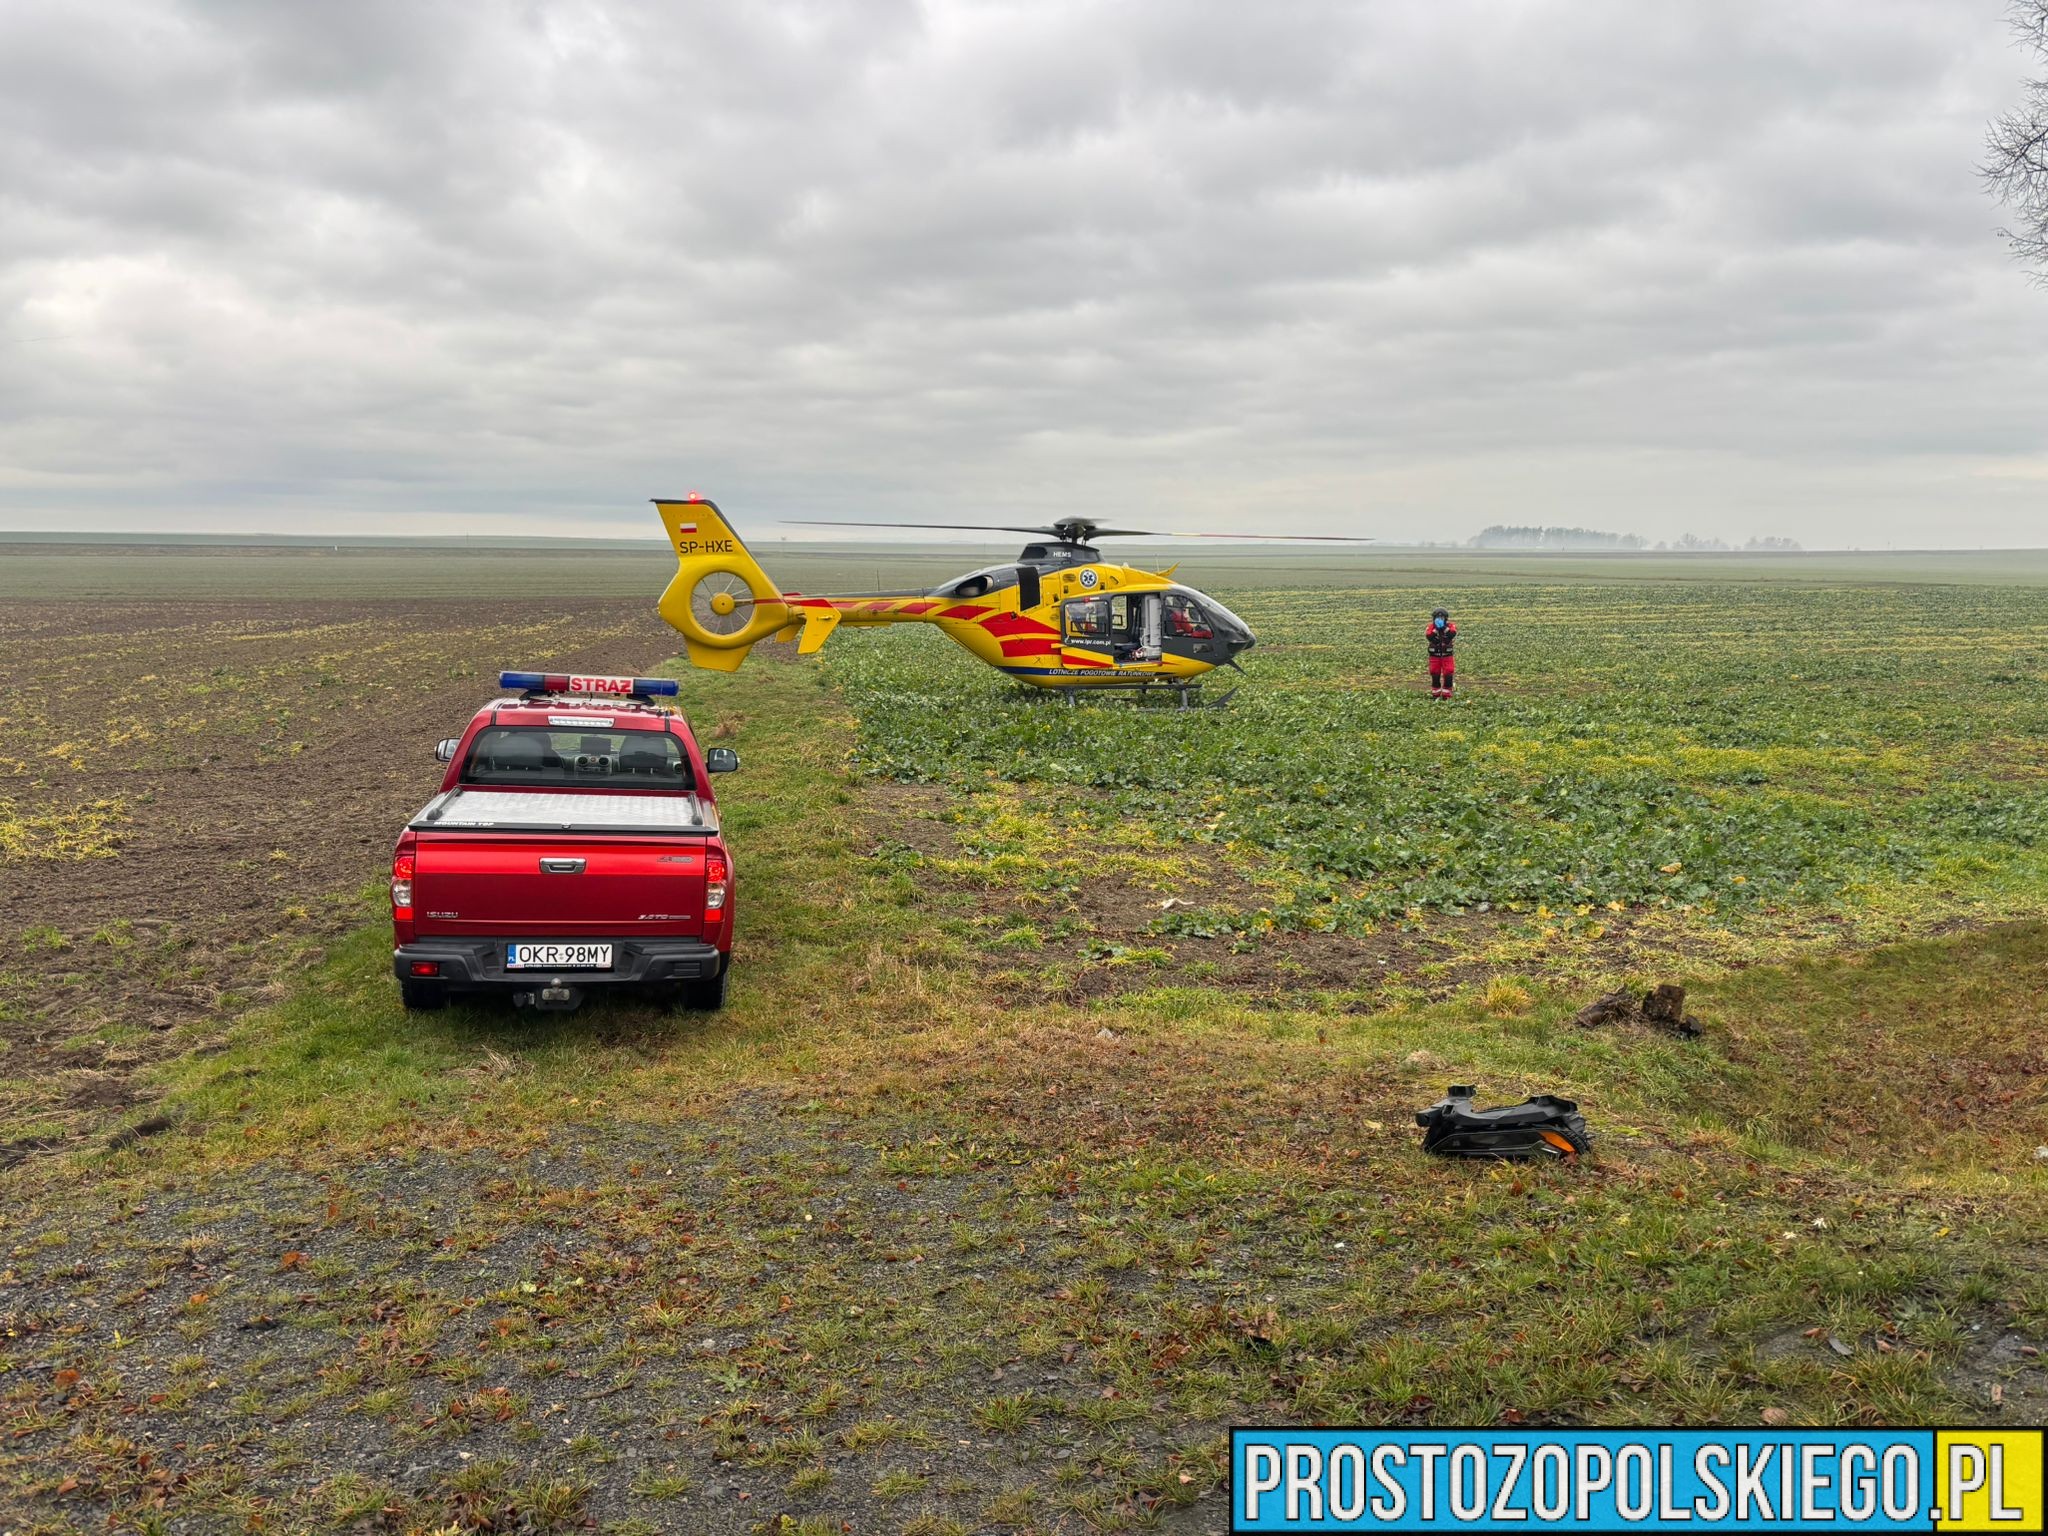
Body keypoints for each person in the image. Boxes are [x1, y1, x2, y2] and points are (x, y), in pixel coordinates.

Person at [1425, 607, 1457, 698]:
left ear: (1446, 618)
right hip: (1435, 655)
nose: (1440, 619)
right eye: (1438, 618)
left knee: (1448, 672)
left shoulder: (1450, 626)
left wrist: (1443, 628)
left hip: (1447, 655)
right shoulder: (1431, 627)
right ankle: (1436, 693)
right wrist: (1436, 630)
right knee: (1434, 673)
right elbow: (1429, 636)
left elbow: (1452, 634)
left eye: (1442, 617)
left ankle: (1447, 693)